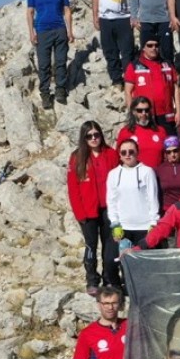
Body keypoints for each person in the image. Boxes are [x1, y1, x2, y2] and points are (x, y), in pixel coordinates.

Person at [68, 122, 120, 294]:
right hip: (88, 210)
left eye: (96, 134)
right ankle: (91, 278)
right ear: (84, 138)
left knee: (110, 244)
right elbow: (73, 188)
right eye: (89, 136)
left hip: (109, 208)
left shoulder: (111, 154)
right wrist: (79, 213)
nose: (93, 139)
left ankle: (109, 277)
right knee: (91, 244)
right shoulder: (77, 157)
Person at [27, 0, 73, 108]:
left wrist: (70, 30)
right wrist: (31, 32)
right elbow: (30, 12)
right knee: (44, 64)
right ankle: (45, 94)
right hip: (42, 30)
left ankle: (60, 90)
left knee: (61, 61)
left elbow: (66, 10)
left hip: (59, 29)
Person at [107, 138, 160, 252]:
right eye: (123, 152)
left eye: (131, 151)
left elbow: (153, 199)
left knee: (144, 265)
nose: (127, 155)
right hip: (124, 228)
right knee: (123, 265)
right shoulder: (113, 174)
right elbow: (112, 202)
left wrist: (153, 223)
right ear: (119, 155)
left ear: (137, 152)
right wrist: (115, 224)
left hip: (144, 228)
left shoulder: (147, 171)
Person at [91, 0, 135, 86]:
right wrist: (95, 16)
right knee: (110, 51)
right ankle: (116, 80)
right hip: (105, 19)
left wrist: (135, 15)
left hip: (125, 18)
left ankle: (129, 79)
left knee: (127, 50)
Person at [124, 37, 180, 139]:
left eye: (156, 45)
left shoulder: (167, 64)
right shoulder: (134, 66)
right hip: (145, 114)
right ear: (143, 48)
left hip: (167, 115)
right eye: (150, 45)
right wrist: (132, 113)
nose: (153, 48)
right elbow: (128, 92)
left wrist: (179, 111)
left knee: (171, 145)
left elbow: (176, 89)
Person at [115, 96, 168, 170]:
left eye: (146, 110)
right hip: (134, 177)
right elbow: (118, 157)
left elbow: (167, 156)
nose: (144, 113)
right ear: (133, 111)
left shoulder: (160, 131)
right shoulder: (125, 132)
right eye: (140, 110)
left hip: (157, 176)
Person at [154, 137, 180, 214]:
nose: (173, 154)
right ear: (165, 154)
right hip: (167, 210)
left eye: (175, 151)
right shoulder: (159, 170)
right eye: (169, 152)